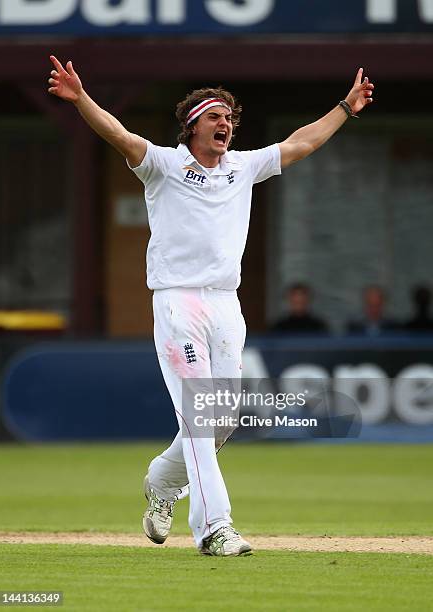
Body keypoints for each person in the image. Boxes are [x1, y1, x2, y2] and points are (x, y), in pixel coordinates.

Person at [48, 56, 374, 556]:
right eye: (216, 118)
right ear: (192, 125)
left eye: (229, 120)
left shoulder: (242, 168)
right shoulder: (162, 165)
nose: (226, 125)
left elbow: (300, 142)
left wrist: (345, 109)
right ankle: (214, 527)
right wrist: (81, 98)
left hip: (226, 304)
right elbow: (118, 135)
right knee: (202, 417)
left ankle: (161, 483)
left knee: (221, 421)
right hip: (178, 299)